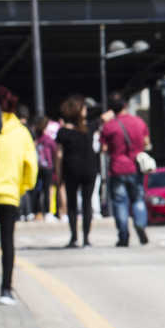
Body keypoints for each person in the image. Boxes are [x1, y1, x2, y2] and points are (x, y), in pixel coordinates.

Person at [0, 86, 36, 305]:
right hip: (9, 192)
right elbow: (31, 166)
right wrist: (22, 188)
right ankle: (6, 289)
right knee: (8, 241)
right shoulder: (21, 132)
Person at [98, 93, 149, 246]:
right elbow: (146, 142)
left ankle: (123, 236)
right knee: (138, 199)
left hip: (117, 168)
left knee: (120, 203)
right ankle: (140, 223)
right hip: (135, 167)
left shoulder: (109, 126)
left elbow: (103, 148)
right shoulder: (139, 122)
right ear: (125, 106)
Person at [54, 94, 99, 248]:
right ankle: (86, 238)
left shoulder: (63, 132)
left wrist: (59, 176)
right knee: (87, 204)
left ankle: (74, 237)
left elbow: (59, 155)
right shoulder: (89, 128)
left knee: (72, 204)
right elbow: (103, 119)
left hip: (71, 170)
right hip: (89, 169)